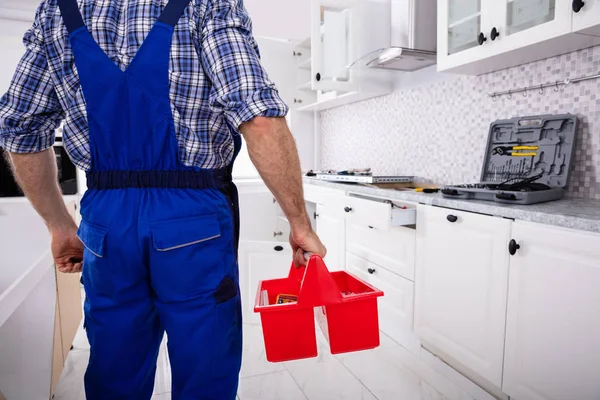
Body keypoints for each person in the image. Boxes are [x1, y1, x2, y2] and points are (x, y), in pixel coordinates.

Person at [0, 0, 326, 398]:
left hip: (106, 222)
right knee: (204, 365)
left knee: (115, 366)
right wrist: (299, 223)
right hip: (195, 218)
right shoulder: (208, 5)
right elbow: (258, 117)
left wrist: (59, 225)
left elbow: (19, 129)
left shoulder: (56, 11)